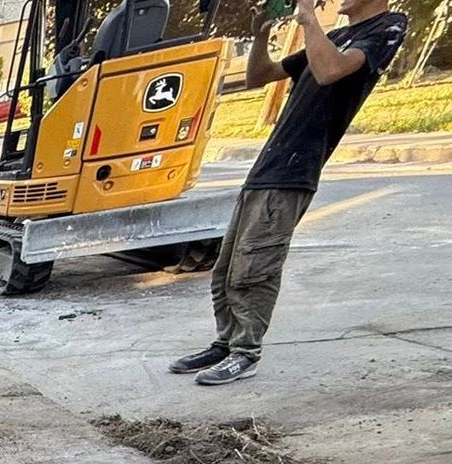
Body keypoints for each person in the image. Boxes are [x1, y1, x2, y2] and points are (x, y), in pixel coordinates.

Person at [170, 0, 411, 385]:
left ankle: (246, 351)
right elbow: (259, 76)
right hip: (267, 166)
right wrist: (262, 33)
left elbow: (331, 71)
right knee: (227, 269)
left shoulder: (386, 28)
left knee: (255, 266)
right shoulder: (334, 36)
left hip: (295, 169)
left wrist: (307, 17)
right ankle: (225, 342)